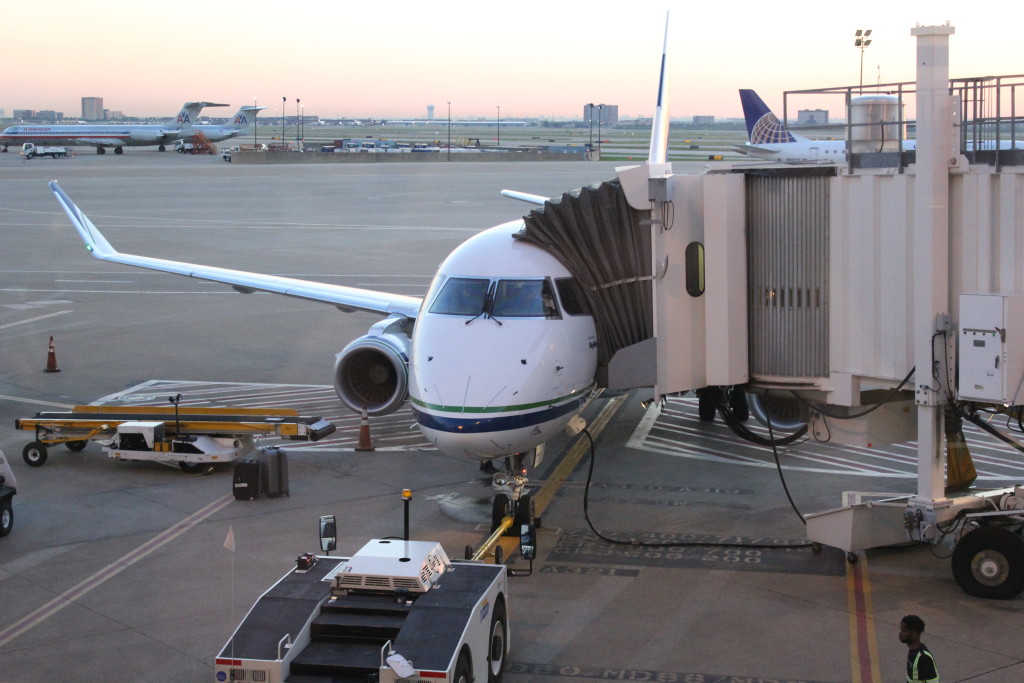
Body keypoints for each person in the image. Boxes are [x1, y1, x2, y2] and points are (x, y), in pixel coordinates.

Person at [899, 614, 939, 682]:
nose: (900, 633)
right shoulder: (912, 649)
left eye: (904, 631)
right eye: (901, 630)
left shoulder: (923, 657)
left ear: (915, 633)